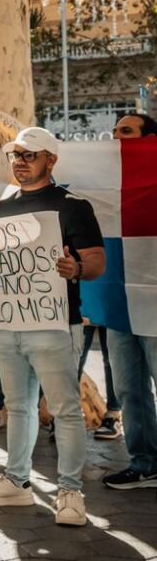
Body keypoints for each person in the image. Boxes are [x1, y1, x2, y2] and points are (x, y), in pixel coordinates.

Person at [0, 127, 105, 527]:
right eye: (15, 154)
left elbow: (96, 261)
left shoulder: (73, 206)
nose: (20, 160)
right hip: (7, 325)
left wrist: (75, 267)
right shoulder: (4, 206)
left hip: (56, 325)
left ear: (51, 160)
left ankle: (71, 492)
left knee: (64, 410)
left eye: (30, 154)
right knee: (18, 406)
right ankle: (17, 482)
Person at [102, 112, 157, 489]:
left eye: (126, 131)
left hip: (153, 301)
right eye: (114, 131)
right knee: (128, 388)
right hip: (119, 301)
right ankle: (145, 463)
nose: (116, 137)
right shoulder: (101, 180)